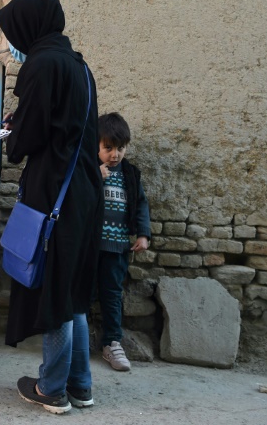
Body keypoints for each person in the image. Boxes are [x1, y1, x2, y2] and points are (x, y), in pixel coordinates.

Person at [0, 0, 103, 415]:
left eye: (12, 31)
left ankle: (52, 388)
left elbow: (30, 136)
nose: (11, 41)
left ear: (29, 26)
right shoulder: (78, 65)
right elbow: (65, 124)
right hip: (82, 192)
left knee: (55, 291)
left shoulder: (42, 64)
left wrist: (13, 132)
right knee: (71, 290)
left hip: (55, 190)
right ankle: (80, 384)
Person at [96, 112, 151, 371]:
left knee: (112, 295)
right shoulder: (90, 169)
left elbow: (141, 204)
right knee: (80, 292)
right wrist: (94, 176)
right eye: (108, 148)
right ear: (96, 146)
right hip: (89, 247)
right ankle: (76, 340)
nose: (114, 154)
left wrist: (143, 234)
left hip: (117, 248)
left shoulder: (130, 174)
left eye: (120, 148)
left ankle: (112, 342)